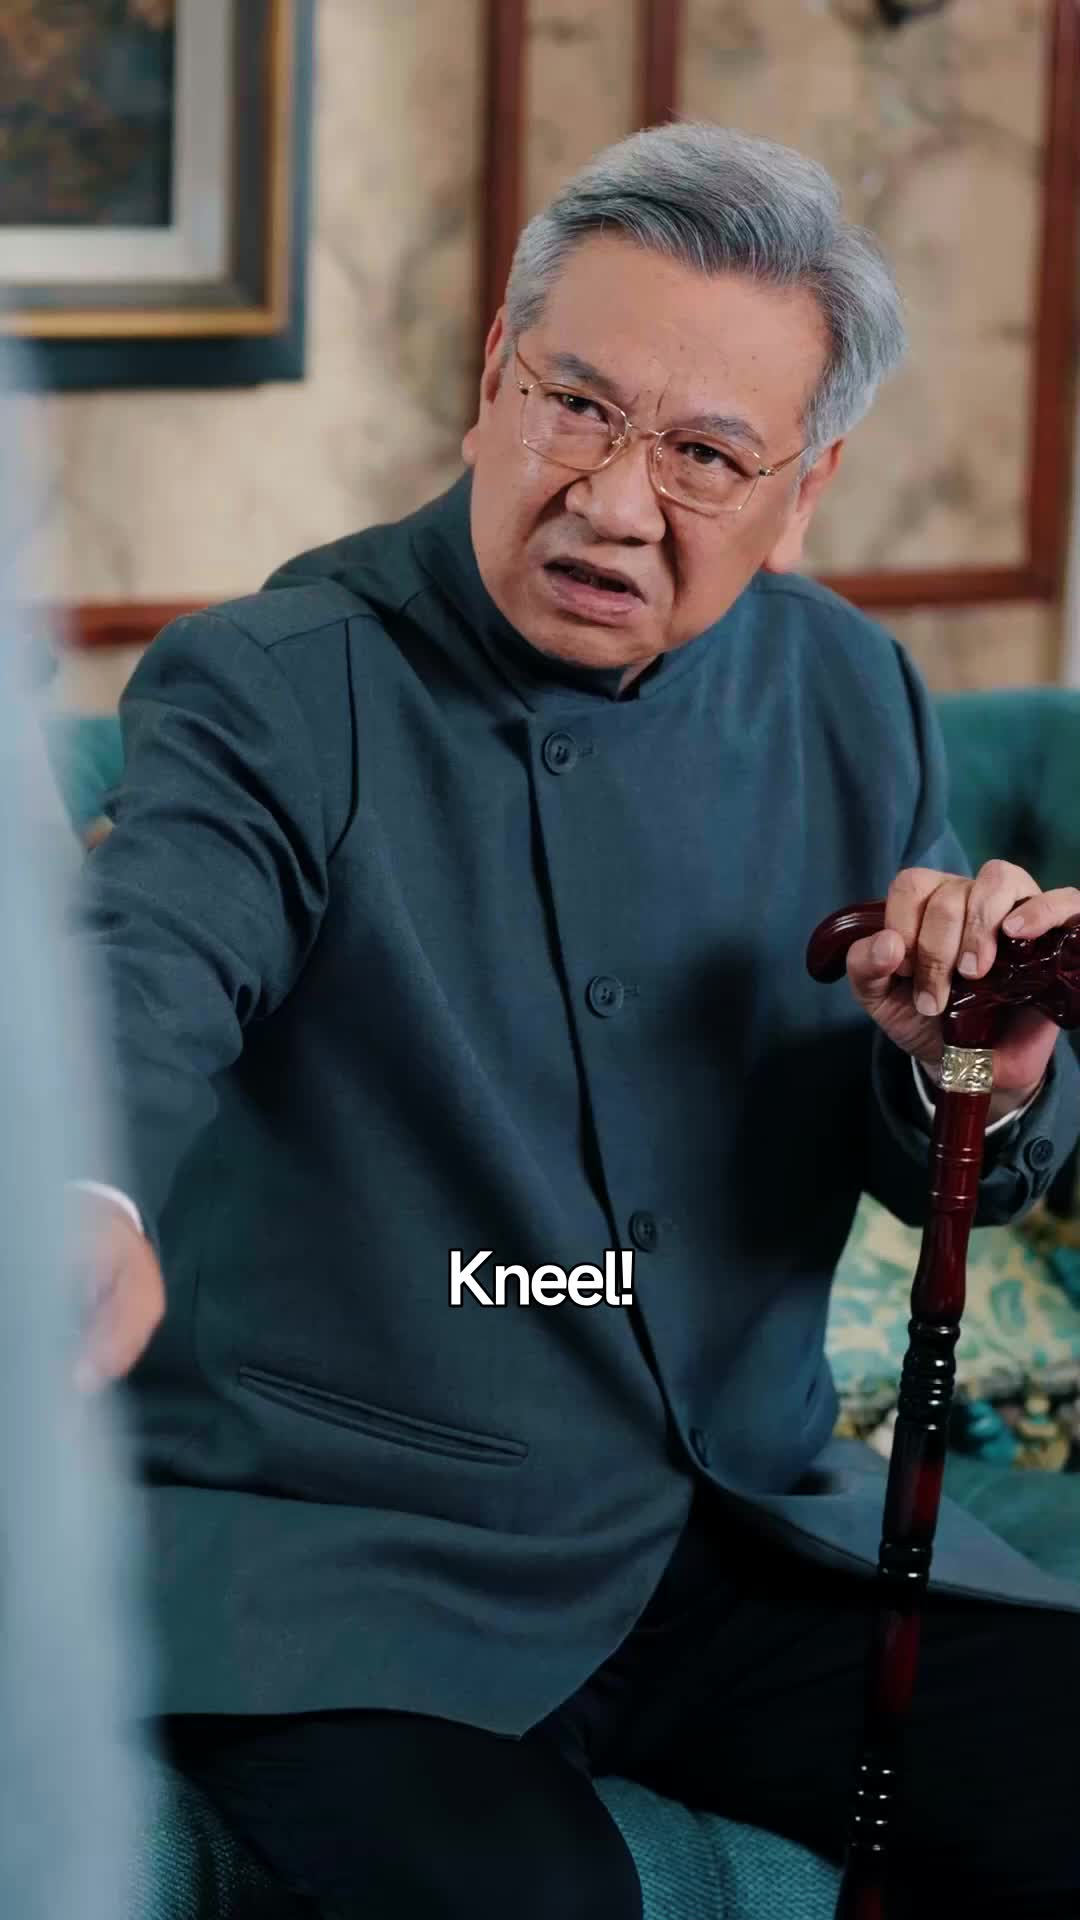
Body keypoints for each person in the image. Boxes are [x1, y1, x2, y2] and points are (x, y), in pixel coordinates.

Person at [73, 125, 1080, 1918]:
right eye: (579, 408)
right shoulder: (274, 685)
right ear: (493, 380)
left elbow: (944, 1141)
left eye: (705, 455)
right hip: (353, 1566)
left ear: (806, 486)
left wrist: (976, 1072)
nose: (614, 502)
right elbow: (144, 966)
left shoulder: (847, 691)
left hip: (738, 1539)